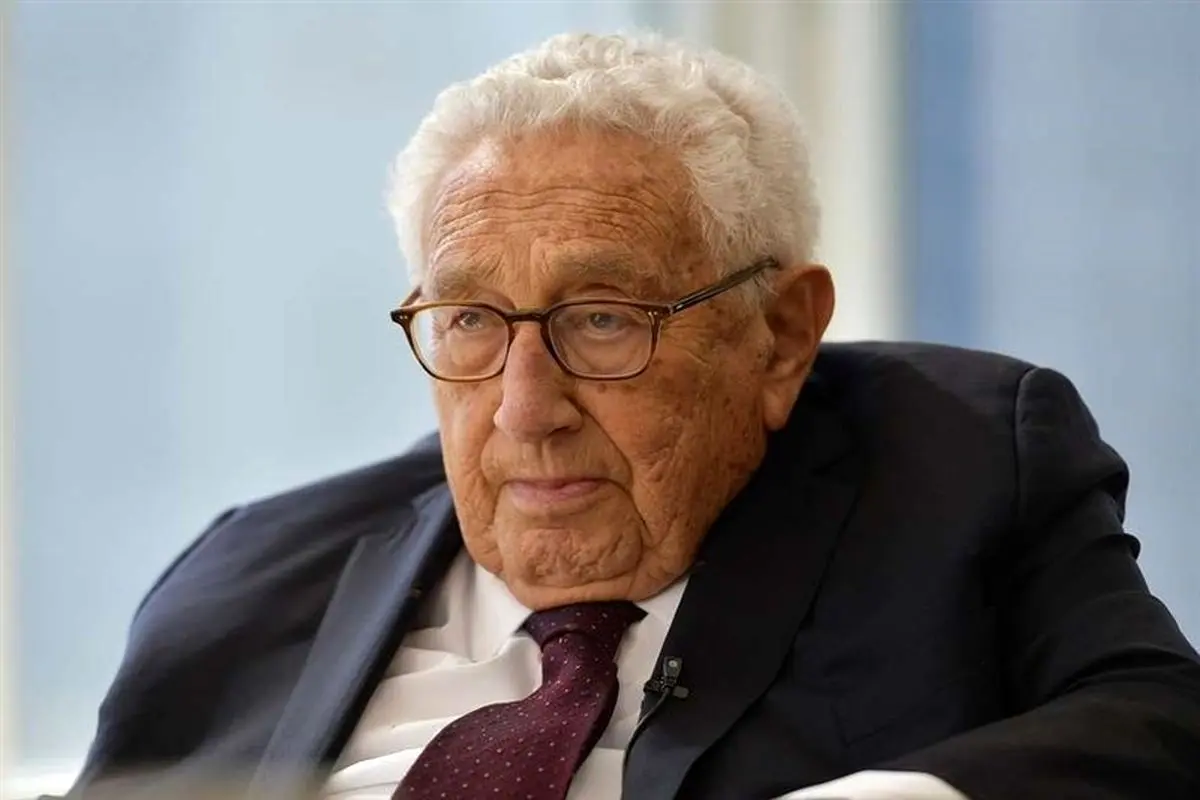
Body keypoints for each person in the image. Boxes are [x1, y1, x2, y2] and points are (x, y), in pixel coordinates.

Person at [65, 32, 1200, 800]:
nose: (525, 410)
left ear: (781, 334)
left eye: (603, 319)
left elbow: (1160, 722)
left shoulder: (953, 465)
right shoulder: (246, 578)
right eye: (470, 320)